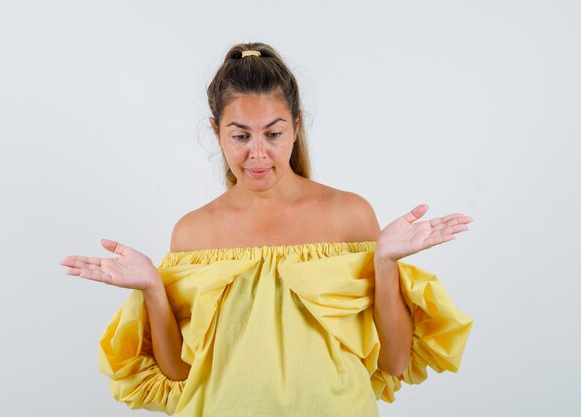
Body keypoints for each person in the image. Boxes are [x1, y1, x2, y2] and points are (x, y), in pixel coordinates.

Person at [60, 42, 473, 417]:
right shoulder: (193, 233)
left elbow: (394, 362)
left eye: (273, 134)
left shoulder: (349, 215)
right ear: (215, 131)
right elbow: (179, 373)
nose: (257, 153)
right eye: (240, 135)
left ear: (296, 125)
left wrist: (384, 261)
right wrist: (152, 286)